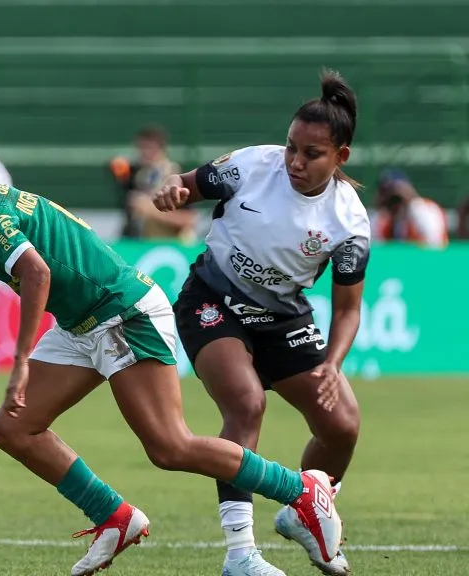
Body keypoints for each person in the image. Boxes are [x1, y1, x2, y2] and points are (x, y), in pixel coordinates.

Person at [0, 78, 344, 576]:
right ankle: (115, 518)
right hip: (83, 324)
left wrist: (22, 363)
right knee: (13, 428)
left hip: (123, 313)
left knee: (169, 446)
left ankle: (302, 491)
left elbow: (37, 272)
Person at [152, 69, 368, 576]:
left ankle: (304, 510)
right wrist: (172, 190)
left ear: (341, 157)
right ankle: (240, 554)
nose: (294, 160)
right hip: (212, 299)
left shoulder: (349, 222)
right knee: (246, 404)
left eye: (311, 154)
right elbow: (185, 184)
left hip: (282, 314)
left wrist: (332, 365)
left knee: (342, 424)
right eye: (292, 146)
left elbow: (349, 309)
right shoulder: (251, 165)